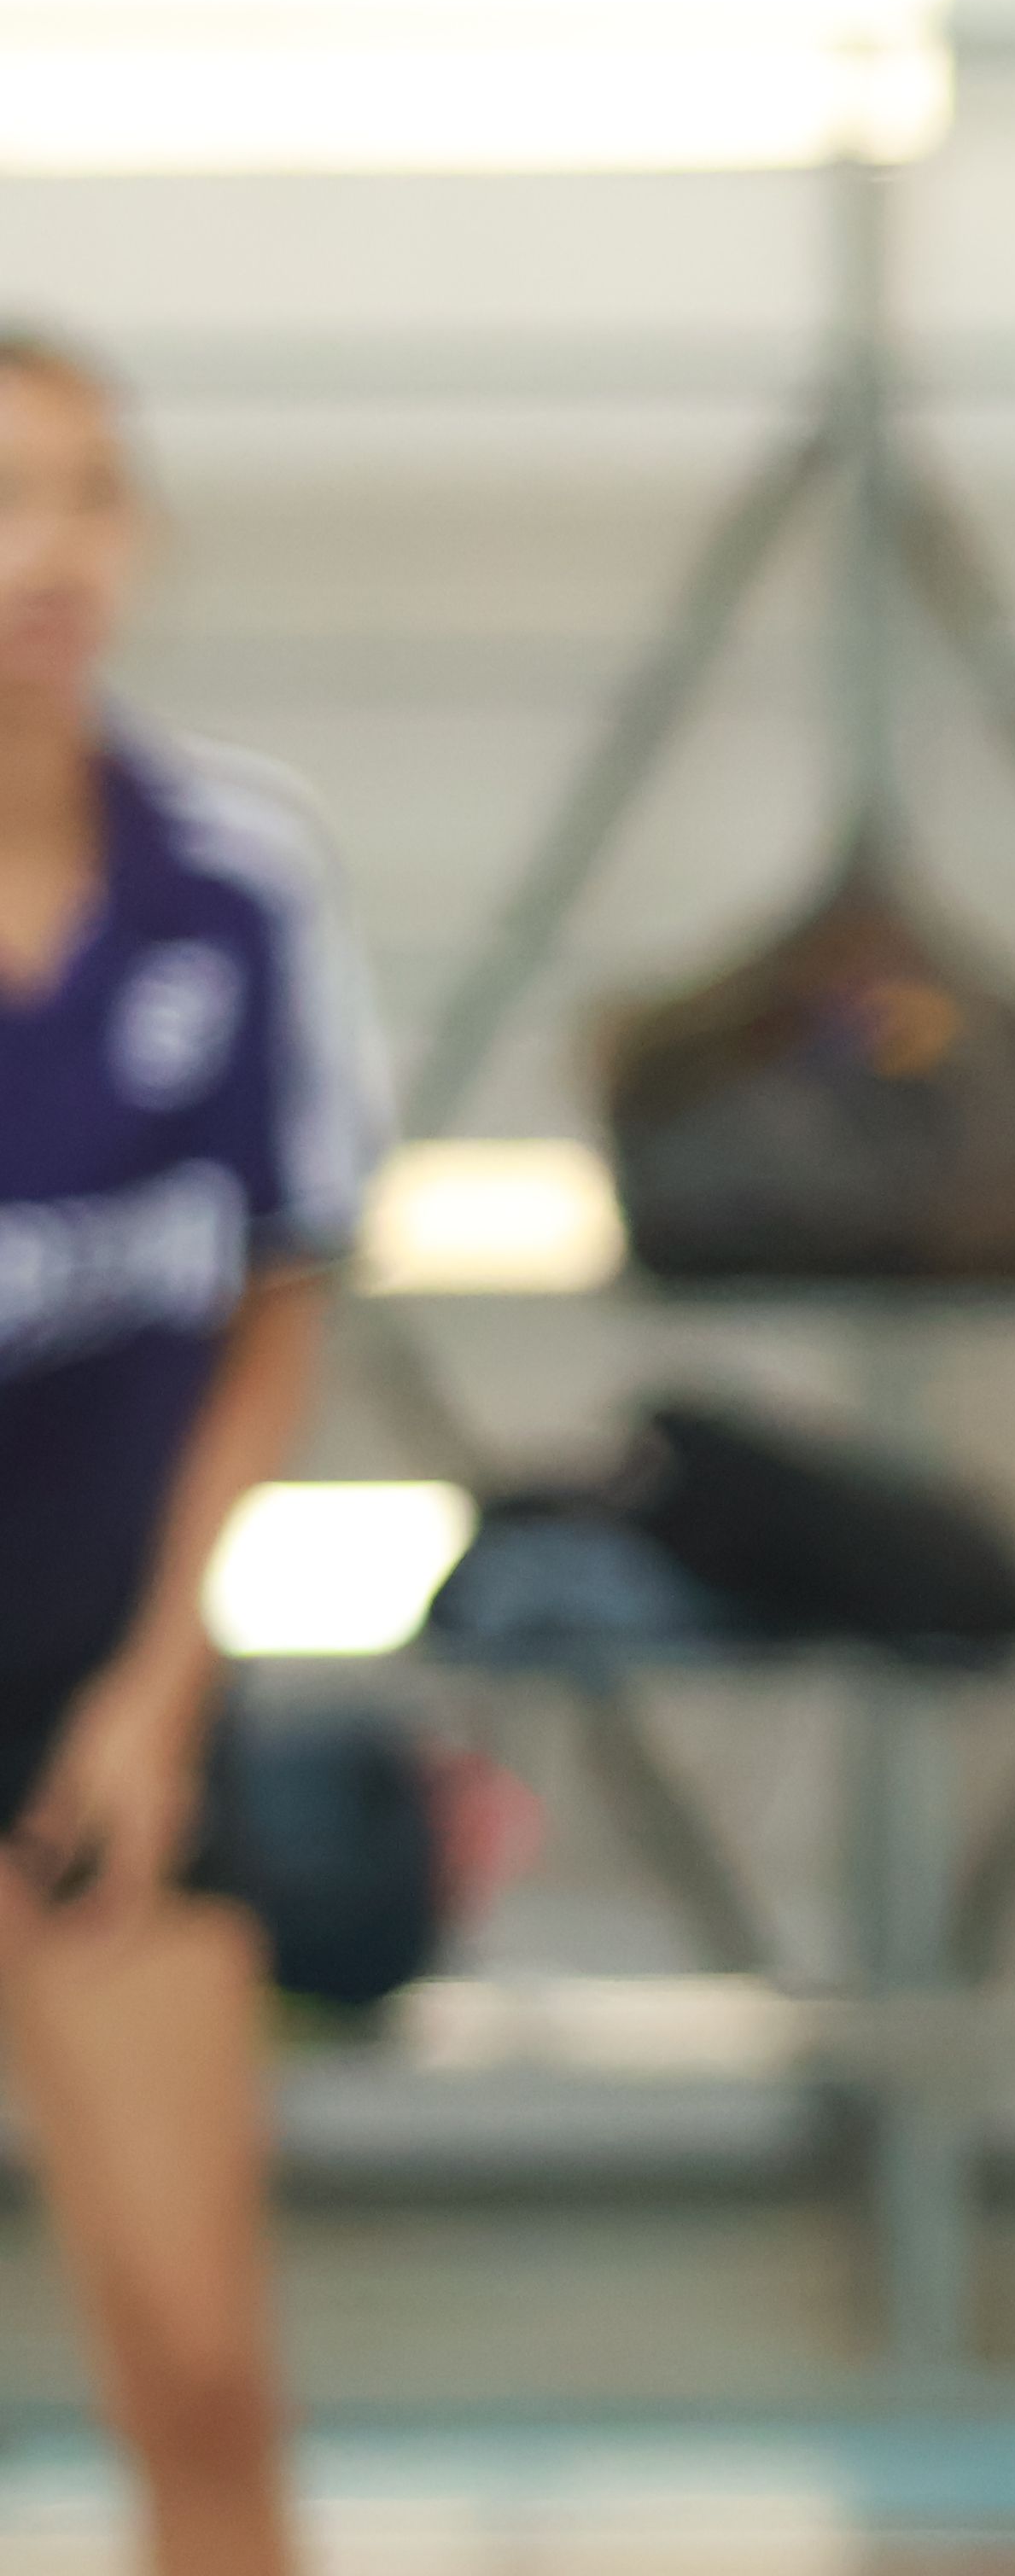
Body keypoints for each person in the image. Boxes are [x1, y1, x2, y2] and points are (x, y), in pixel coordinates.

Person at [0, 326, 384, 2576]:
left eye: (81, 495)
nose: (41, 553)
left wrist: (158, 1690)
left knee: (202, 2364)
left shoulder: (236, 883)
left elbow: (278, 1299)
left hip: (100, 1692)